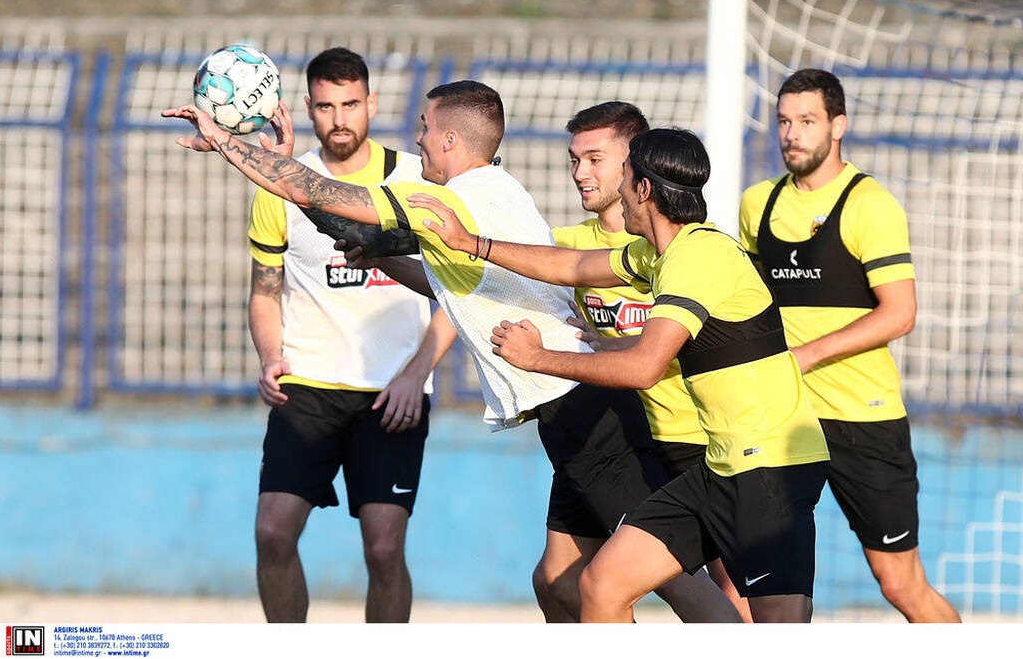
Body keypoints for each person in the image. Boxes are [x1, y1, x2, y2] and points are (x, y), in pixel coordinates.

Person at [164, 80, 740, 623]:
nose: (415, 139)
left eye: (423, 127)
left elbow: (313, 191)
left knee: (668, 580)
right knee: (557, 582)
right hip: (568, 415)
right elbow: (451, 283)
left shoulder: (454, 198)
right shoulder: (488, 194)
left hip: (589, 416)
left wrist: (227, 142)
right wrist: (383, 256)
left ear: (449, 140)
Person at [404, 126, 832, 622]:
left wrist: (539, 357)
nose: (617, 192)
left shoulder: (700, 256)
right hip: (721, 468)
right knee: (602, 585)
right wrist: (471, 243)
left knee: (777, 628)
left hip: (771, 469)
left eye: (624, 177)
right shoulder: (660, 253)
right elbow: (572, 266)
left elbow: (644, 368)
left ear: (644, 189)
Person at [737, 67, 961, 623]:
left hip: (864, 418)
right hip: (783, 423)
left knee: (899, 583)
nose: (792, 133)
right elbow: (747, 303)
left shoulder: (869, 204)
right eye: (784, 121)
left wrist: (806, 355)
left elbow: (900, 313)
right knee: (756, 583)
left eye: (807, 121)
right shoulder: (756, 204)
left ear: (838, 125)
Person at [245, 47, 458, 623]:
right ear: (308, 109)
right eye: (326, 106)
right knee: (272, 532)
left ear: (372, 104)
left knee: (385, 548)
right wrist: (270, 356)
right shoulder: (285, 184)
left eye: (351, 104)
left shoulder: (416, 180)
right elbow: (265, 290)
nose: (340, 118)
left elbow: (456, 296)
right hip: (306, 388)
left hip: (392, 394)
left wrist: (417, 375)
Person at [537, 101, 751, 623]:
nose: (579, 173)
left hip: (692, 437)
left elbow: (698, 351)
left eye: (594, 159)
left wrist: (597, 351)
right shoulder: (568, 247)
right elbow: (481, 273)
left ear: (635, 168)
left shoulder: (690, 248)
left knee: (721, 594)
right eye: (574, 160)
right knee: (557, 581)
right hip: (620, 439)